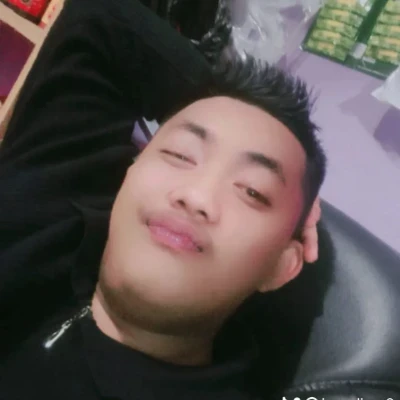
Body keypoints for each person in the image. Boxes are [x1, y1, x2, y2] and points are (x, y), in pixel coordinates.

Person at [0, 0, 326, 398]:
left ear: (281, 266)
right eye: (180, 154)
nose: (196, 195)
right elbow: (100, 18)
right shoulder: (45, 213)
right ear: (130, 170)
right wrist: (225, 102)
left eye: (253, 191)